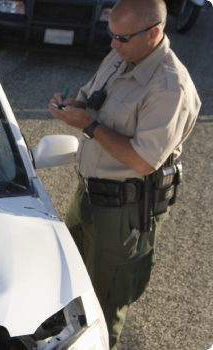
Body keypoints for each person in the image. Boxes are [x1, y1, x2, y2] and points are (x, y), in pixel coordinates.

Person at [48, 0, 200, 348]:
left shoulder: (169, 87)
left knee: (102, 308)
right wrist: (74, 108)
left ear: (154, 33)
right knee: (65, 286)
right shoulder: (122, 55)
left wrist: (88, 125)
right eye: (111, 34)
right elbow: (92, 99)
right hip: (88, 195)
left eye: (122, 38)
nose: (113, 44)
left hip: (123, 212)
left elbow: (143, 161)